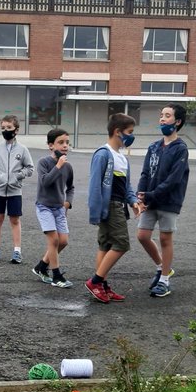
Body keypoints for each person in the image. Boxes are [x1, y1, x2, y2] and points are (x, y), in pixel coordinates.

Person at [136, 103, 190, 298]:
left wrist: (152, 194)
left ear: (177, 122)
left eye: (167, 116)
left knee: (165, 239)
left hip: (169, 202)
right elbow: (145, 173)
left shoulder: (180, 149)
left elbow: (174, 179)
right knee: (142, 235)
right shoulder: (153, 147)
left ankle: (165, 281)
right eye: (161, 115)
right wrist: (140, 195)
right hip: (150, 200)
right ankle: (161, 267)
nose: (162, 119)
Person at [85, 113, 140, 303]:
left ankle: (103, 286)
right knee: (121, 244)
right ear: (118, 132)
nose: (132, 136)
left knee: (106, 245)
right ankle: (95, 281)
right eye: (130, 132)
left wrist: (133, 201)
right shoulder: (103, 154)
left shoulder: (122, 158)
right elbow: (94, 185)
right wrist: (95, 211)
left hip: (119, 205)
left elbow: (126, 186)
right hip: (110, 206)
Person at [0, 115, 34, 262]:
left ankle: (17, 251)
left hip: (15, 191)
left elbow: (30, 168)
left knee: (14, 219)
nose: (6, 131)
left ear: (16, 130)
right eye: (3, 128)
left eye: (9, 128)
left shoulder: (23, 150)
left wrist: (16, 177)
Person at [31, 127, 74, 288]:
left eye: (67, 143)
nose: (65, 146)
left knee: (63, 241)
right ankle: (56, 276)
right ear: (51, 145)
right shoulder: (44, 162)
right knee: (54, 240)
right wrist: (58, 166)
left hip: (59, 208)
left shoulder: (68, 167)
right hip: (44, 207)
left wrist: (67, 203)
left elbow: (71, 188)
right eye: (60, 142)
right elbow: (45, 182)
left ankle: (41, 266)